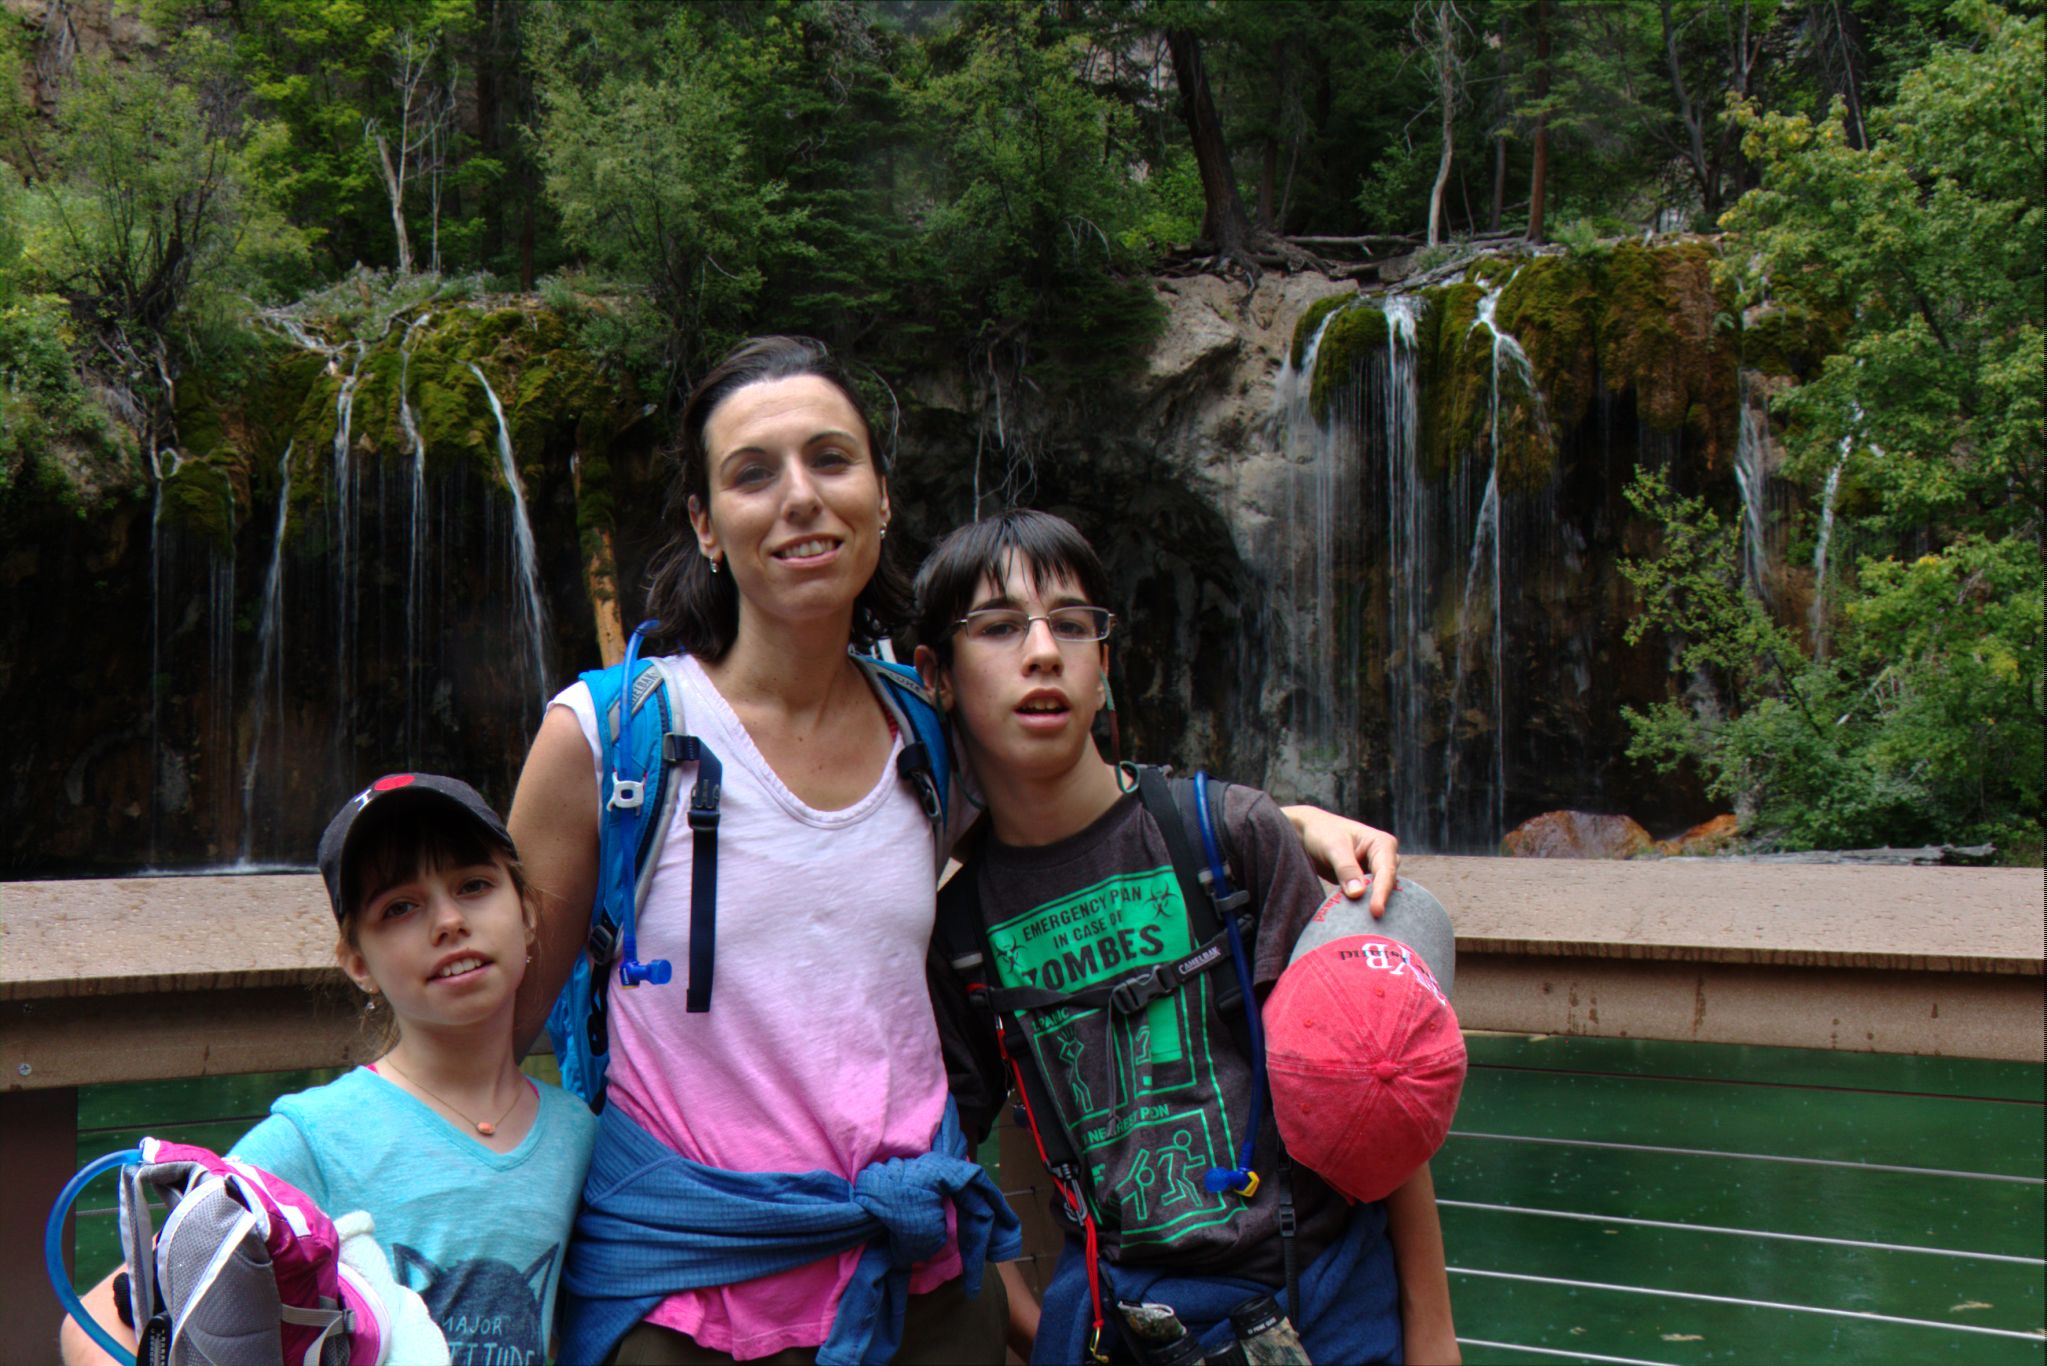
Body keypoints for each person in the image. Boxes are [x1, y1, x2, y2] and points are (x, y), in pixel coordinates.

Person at [506, 335, 1405, 1365]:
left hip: (920, 1285)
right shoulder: (606, 739)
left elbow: (1082, 799)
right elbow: (492, 1027)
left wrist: (1280, 822)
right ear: (706, 526)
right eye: (753, 473)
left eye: (831, 459)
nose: (799, 496)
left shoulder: (922, 733)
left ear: (882, 500)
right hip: (685, 1289)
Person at [912, 510, 1459, 1365]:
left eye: (1071, 623)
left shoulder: (1226, 837)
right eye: (996, 628)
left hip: (1324, 1299)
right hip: (1129, 1321)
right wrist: (1035, 1326)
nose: (1042, 651)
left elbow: (1366, 1101)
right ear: (936, 676)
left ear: (1103, 663)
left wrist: (1433, 1340)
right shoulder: (959, 934)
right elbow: (939, 1160)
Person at [60, 772, 598, 1366]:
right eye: (400, 907)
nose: (447, 920)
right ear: (358, 963)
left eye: (473, 885)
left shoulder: (578, 1134)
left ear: (527, 914)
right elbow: (100, 1318)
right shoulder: (316, 1137)